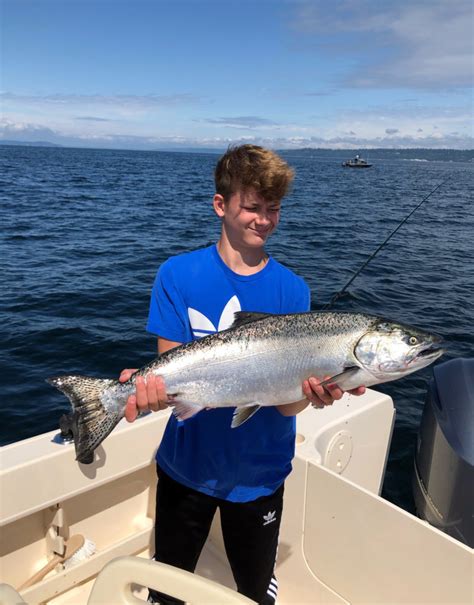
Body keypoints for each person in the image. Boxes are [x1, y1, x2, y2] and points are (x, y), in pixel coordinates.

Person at [120, 144, 365, 605]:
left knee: (254, 592)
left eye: (273, 209)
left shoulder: (292, 288)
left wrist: (314, 395)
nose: (265, 219)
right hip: (185, 467)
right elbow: (172, 370)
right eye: (253, 207)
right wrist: (151, 392)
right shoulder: (178, 274)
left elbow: (287, 399)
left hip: (260, 474)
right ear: (221, 205)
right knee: (166, 590)